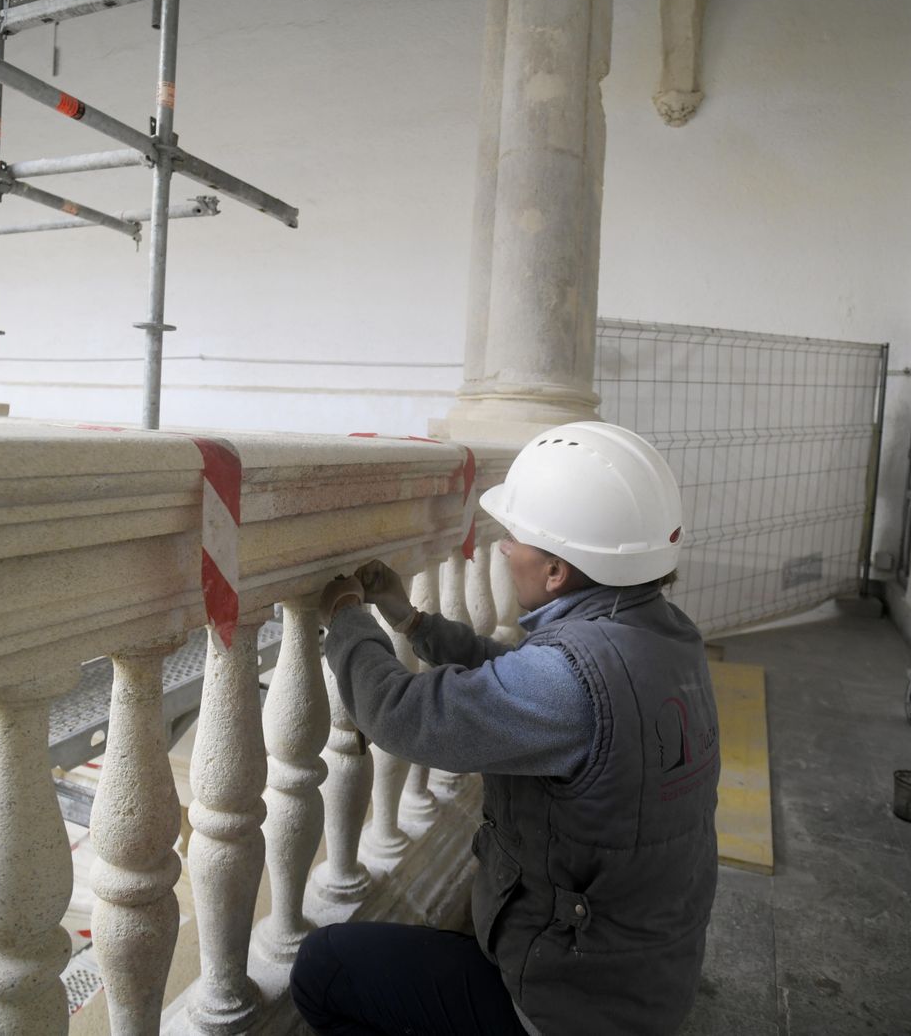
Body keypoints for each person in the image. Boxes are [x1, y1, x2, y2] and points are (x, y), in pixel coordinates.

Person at [293, 421, 721, 1036]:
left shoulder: (567, 683)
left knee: (322, 969)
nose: (501, 550)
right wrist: (411, 622)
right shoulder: (665, 634)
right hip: (641, 980)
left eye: (515, 538)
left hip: (571, 1005)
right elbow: (525, 682)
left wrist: (346, 618)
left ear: (555, 572)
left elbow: (399, 714)